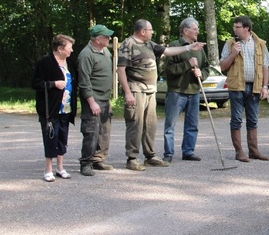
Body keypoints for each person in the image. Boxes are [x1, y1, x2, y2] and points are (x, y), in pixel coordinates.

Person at [117, 19, 205, 171]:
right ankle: (132, 158)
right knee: (135, 124)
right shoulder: (128, 44)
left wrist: (189, 47)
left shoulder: (149, 44)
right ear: (142, 31)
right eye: (150, 30)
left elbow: (168, 51)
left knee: (150, 125)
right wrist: (127, 93)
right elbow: (121, 69)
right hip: (136, 90)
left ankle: (150, 156)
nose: (152, 32)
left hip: (151, 90)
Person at [220, 15, 269, 162]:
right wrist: (233, 54)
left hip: (254, 87)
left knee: (253, 120)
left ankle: (254, 151)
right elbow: (223, 66)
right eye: (234, 27)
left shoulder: (260, 44)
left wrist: (265, 86)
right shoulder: (230, 43)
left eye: (237, 27)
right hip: (236, 87)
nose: (234, 29)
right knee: (236, 120)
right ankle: (239, 152)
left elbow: (265, 66)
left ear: (246, 28)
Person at [163, 18, 210, 163]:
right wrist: (187, 65)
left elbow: (206, 67)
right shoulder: (174, 46)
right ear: (185, 30)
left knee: (192, 125)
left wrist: (201, 75)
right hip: (177, 91)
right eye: (195, 29)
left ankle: (188, 151)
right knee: (170, 124)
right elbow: (168, 70)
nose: (197, 31)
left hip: (194, 91)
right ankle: (168, 153)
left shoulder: (199, 48)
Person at [32, 34, 78, 182]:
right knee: (50, 137)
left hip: (66, 107)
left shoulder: (70, 62)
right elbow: (35, 83)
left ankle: (60, 167)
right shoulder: (45, 62)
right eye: (69, 48)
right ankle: (48, 170)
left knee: (62, 138)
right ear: (60, 49)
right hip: (50, 108)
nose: (71, 51)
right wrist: (53, 84)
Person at [78, 24, 115, 176]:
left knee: (104, 131)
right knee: (91, 132)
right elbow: (84, 81)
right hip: (93, 100)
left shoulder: (105, 51)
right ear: (98, 39)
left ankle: (98, 159)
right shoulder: (86, 55)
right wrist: (91, 102)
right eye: (107, 37)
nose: (110, 38)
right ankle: (86, 163)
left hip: (105, 98)